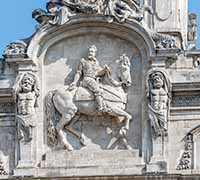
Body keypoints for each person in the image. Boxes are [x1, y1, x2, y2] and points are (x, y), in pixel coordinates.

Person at [69, 45, 111, 112]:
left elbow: (97, 73)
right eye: (89, 51)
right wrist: (74, 82)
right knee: (98, 90)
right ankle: (100, 107)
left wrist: (104, 70)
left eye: (92, 52)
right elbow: (78, 72)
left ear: (95, 53)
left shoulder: (96, 63)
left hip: (93, 79)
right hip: (87, 79)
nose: (90, 53)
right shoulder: (83, 61)